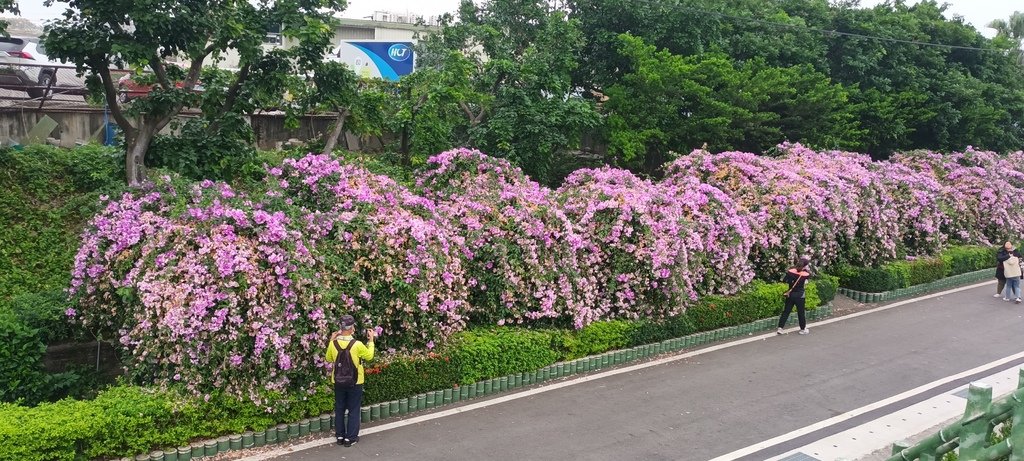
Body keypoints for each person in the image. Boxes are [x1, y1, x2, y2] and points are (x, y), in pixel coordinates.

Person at [326, 315, 375, 447]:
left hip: (338, 381)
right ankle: (351, 438)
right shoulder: (357, 344)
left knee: (340, 408)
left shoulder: (333, 344)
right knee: (354, 409)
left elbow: (329, 359)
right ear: (352, 328)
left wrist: (331, 340)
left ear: (340, 328)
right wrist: (371, 341)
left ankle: (340, 436)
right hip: (355, 381)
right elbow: (369, 356)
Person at [777, 257, 812, 335]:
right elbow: (808, 279)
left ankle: (780, 328)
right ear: (804, 266)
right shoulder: (805, 274)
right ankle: (802, 329)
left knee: (786, 311)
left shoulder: (790, 271)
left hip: (790, 294)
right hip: (800, 296)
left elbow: (784, 280)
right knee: (801, 313)